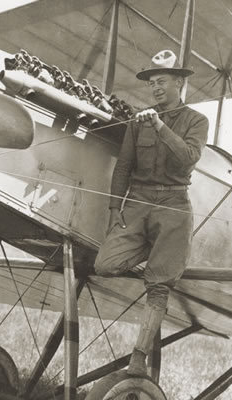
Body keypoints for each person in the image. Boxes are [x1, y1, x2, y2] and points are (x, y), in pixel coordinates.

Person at [94, 49, 209, 376]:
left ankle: (138, 359)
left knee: (158, 286)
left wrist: (159, 125)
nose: (156, 88)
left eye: (162, 82)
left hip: (173, 208)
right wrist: (115, 207)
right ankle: (149, 248)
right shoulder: (138, 120)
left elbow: (187, 158)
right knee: (104, 264)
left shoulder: (196, 121)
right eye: (152, 83)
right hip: (139, 204)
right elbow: (124, 167)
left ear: (179, 84)